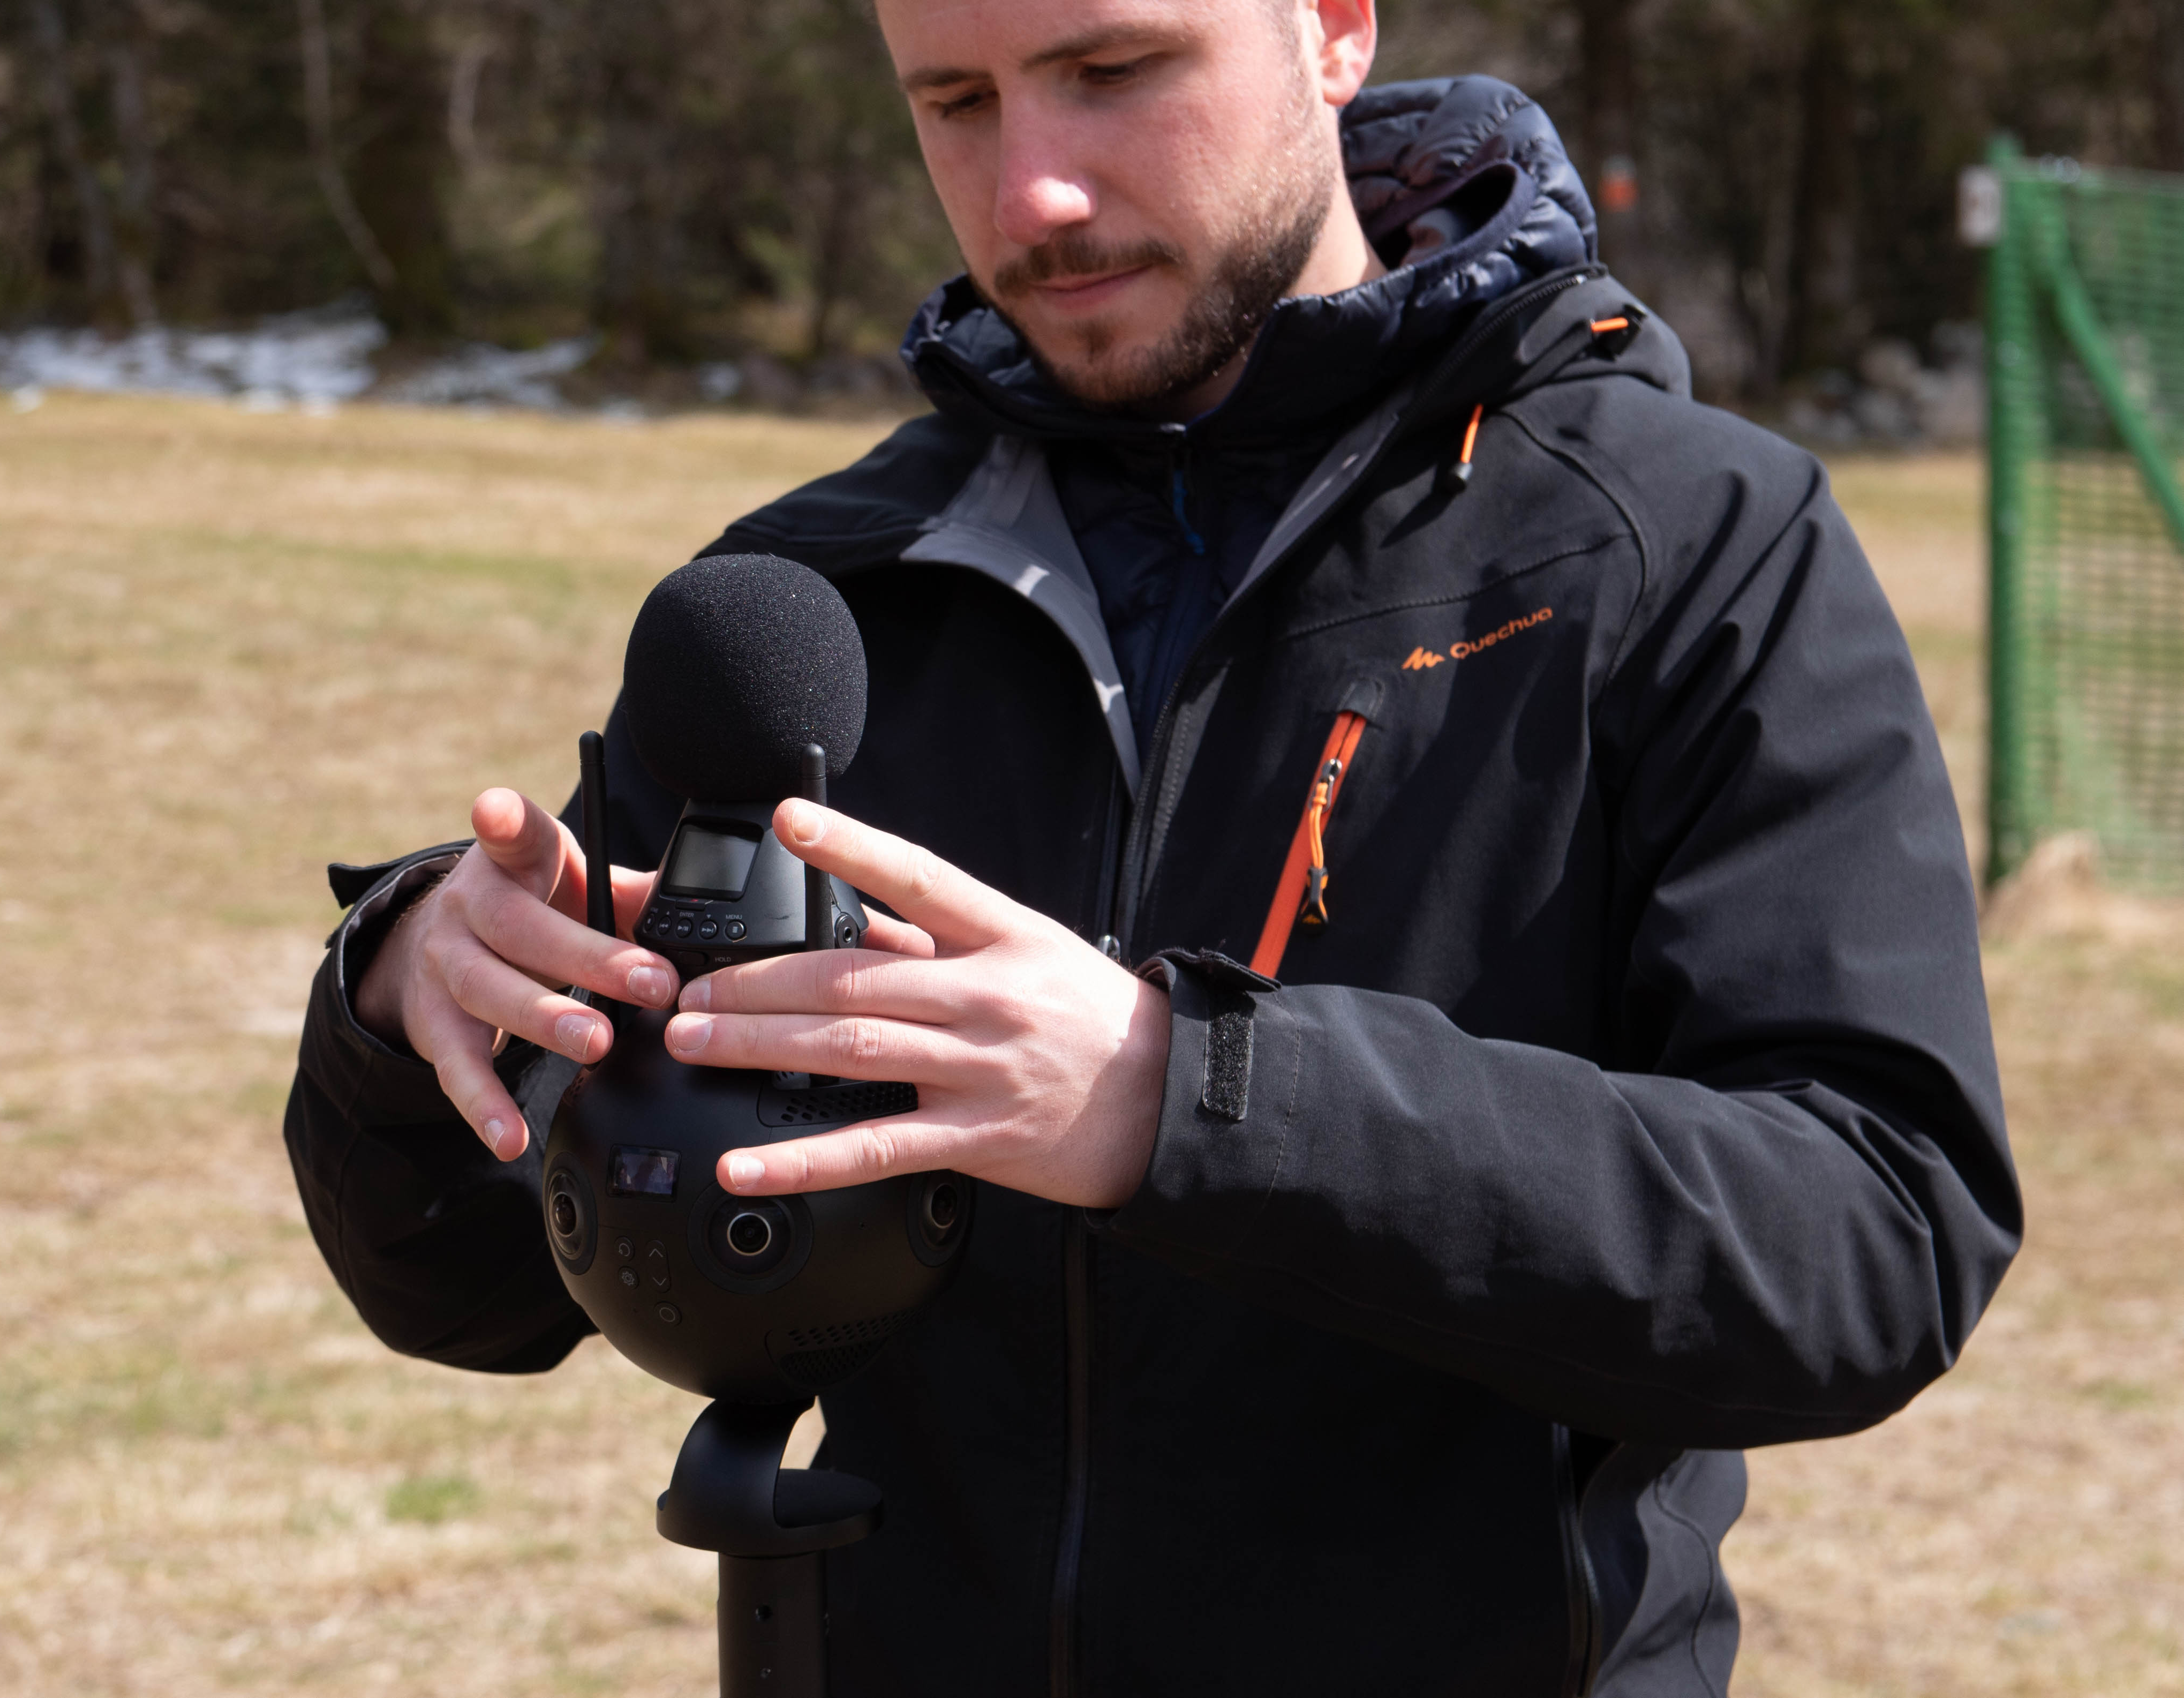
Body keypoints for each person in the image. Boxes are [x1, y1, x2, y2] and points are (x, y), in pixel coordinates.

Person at [285, 0, 2020, 1690]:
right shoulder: (809, 611)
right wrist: (409, 1005)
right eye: (953, 103)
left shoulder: (1687, 541)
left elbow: (1873, 1231)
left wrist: (1175, 1097)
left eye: (1111, 71)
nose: (1030, 188)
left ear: (1331, 31)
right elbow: (483, 1282)